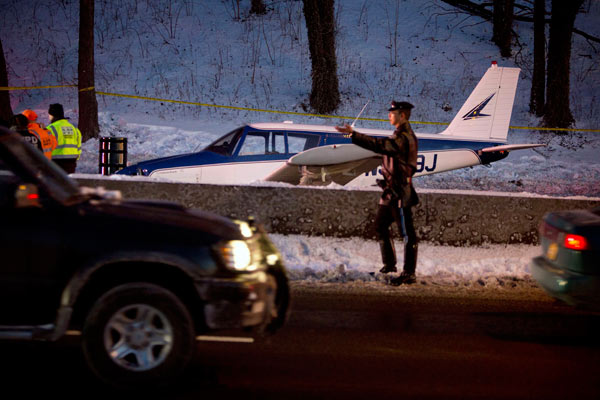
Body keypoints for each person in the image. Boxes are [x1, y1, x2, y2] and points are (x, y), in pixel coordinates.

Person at [335, 101, 419, 285]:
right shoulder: (399, 135)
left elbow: (381, 145)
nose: (389, 115)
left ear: (402, 115)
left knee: (407, 234)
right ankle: (390, 265)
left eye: (393, 112)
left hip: (400, 193)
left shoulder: (404, 137)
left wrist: (354, 135)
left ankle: (409, 273)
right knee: (381, 226)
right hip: (390, 191)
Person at [47, 103, 81, 173]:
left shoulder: (50, 128)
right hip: (71, 162)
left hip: (56, 161)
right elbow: (78, 146)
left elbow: (46, 147)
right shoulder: (74, 128)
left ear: (52, 114)